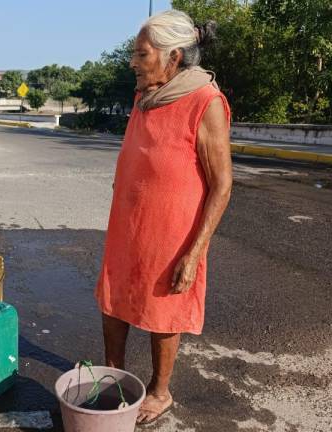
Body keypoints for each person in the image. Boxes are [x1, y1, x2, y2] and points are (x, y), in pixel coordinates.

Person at [95, 9, 233, 426]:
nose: (133, 63)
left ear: (173, 57)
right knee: (113, 302)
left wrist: (194, 253)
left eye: (141, 55)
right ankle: (115, 378)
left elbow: (221, 186)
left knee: (162, 312)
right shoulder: (145, 96)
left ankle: (160, 391)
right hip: (128, 225)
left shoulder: (205, 102)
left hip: (172, 232)